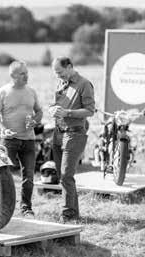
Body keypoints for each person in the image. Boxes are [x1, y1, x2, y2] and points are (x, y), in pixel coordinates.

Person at [0, 60, 43, 218]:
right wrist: (2, 129)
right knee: (2, 175)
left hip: (28, 140)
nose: (26, 76)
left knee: (29, 176)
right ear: (13, 75)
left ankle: (26, 208)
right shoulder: (3, 92)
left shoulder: (31, 92)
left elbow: (39, 112)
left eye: (27, 73)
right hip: (9, 141)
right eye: (22, 74)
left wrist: (35, 121)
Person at [49, 57, 95, 222]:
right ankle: (74, 214)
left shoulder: (84, 84)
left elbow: (90, 111)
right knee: (63, 176)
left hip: (75, 133)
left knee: (67, 175)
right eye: (55, 73)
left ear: (69, 67)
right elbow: (54, 104)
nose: (58, 76)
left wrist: (68, 113)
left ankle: (67, 216)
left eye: (60, 72)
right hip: (58, 133)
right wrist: (52, 109)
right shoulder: (61, 83)